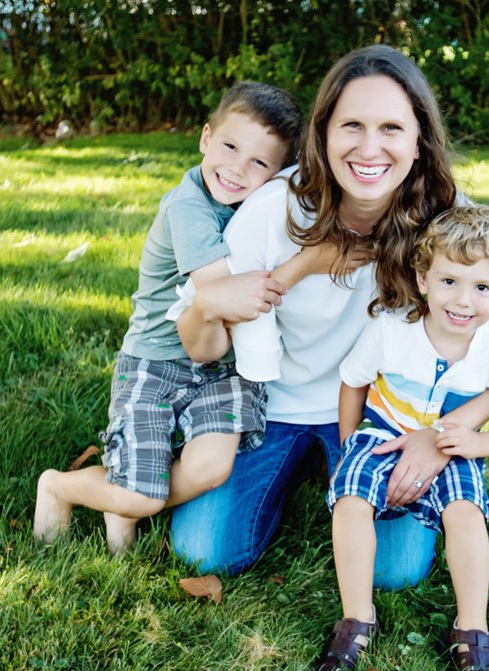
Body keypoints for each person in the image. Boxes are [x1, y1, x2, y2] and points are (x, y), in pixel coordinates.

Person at [169, 45, 489, 592]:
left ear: (419, 140)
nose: (369, 148)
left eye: (391, 127)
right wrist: (214, 302)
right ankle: (302, 463)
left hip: (389, 418)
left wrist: (443, 434)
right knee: (202, 551)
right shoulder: (275, 208)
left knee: (392, 572)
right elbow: (198, 333)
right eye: (351, 125)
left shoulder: (450, 219)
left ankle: (335, 462)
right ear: (322, 133)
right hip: (270, 402)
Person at [33, 81, 311, 553]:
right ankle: (63, 487)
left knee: (211, 468)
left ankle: (119, 497)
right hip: (157, 361)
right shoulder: (188, 207)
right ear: (205, 138)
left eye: (259, 162)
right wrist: (312, 260)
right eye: (229, 146)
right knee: (140, 493)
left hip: (221, 367)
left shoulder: (258, 207)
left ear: (278, 174)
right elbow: (224, 293)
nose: (237, 169)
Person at [316, 204, 489, 671]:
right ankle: (358, 619)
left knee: (465, 510)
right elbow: (352, 382)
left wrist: (479, 445)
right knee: (352, 498)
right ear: (422, 278)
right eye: (449, 282)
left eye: (482, 287)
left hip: (458, 448)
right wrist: (347, 447)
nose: (463, 301)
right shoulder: (390, 331)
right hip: (381, 434)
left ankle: (471, 628)